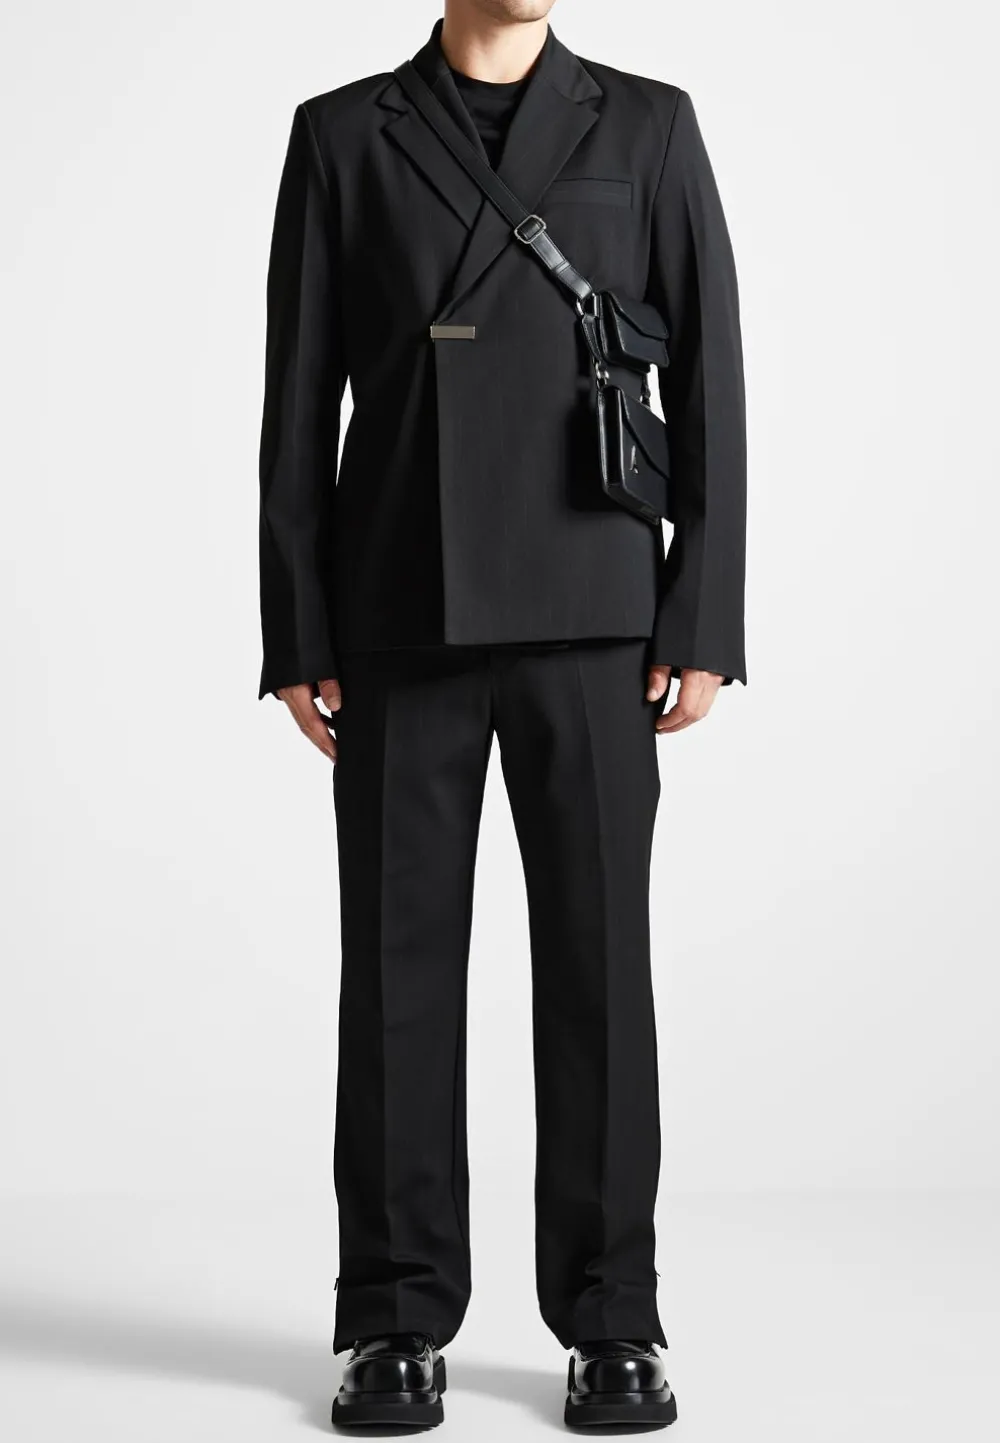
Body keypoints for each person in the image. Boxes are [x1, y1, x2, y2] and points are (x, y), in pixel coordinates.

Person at [258, 0, 746, 1428]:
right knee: (396, 977)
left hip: (594, 611)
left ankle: (613, 1316)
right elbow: (297, 399)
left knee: (600, 973)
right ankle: (392, 1314)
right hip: (399, 612)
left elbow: (710, 372)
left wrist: (701, 616)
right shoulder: (342, 135)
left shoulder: (648, 124)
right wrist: (298, 630)